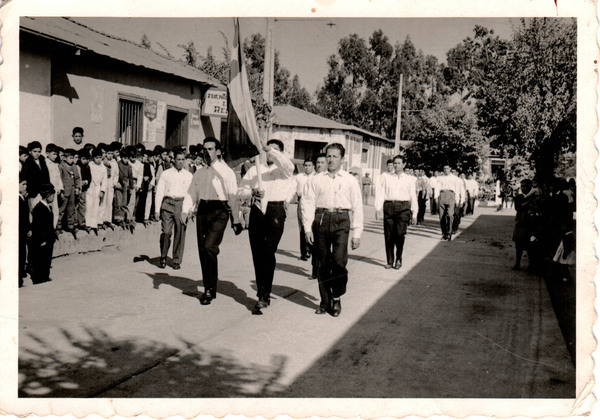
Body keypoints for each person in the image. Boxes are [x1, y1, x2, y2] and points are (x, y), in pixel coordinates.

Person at [302, 143, 363, 317]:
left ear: (342, 159)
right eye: (328, 156)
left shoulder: (350, 180)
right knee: (322, 263)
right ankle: (325, 300)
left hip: (341, 220)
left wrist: (357, 233)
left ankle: (336, 297)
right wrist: (308, 229)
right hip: (321, 219)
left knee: (338, 262)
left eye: (335, 156)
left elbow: (357, 207)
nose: (330, 159)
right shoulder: (316, 179)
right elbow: (307, 203)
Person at [182, 138, 242, 304]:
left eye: (210, 149)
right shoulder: (199, 172)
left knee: (209, 246)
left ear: (218, 151)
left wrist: (236, 220)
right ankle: (210, 286)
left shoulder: (226, 172)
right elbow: (191, 193)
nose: (207, 152)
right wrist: (185, 211)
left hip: (219, 211)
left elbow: (233, 196)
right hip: (203, 211)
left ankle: (209, 290)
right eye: (205, 149)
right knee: (204, 250)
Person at [238, 139, 295, 311]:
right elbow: (240, 191)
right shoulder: (255, 170)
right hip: (257, 210)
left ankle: (264, 293)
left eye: (275, 151)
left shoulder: (284, 171)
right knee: (257, 253)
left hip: (275, 211)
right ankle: (262, 293)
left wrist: (271, 149)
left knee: (268, 252)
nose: (270, 154)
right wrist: (252, 192)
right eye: (268, 151)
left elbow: (287, 165)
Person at [374, 155, 417, 270]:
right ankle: (390, 260)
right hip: (389, 206)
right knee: (388, 235)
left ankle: (398, 258)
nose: (396, 165)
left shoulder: (409, 179)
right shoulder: (387, 177)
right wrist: (378, 208)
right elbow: (381, 193)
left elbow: (413, 195)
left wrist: (415, 213)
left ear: (404, 164)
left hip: (403, 207)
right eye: (395, 163)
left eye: (399, 163)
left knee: (399, 234)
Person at [154, 148, 193, 270]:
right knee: (166, 232)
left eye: (183, 160)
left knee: (180, 233)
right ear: (173, 160)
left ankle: (176, 260)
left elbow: (191, 194)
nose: (181, 162)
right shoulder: (166, 174)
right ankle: (163, 256)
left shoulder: (188, 175)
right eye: (178, 159)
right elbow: (159, 191)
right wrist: (156, 209)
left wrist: (190, 209)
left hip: (181, 205)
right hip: (168, 203)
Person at [29, 183, 57, 284]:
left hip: (49, 238)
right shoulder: (39, 208)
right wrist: (42, 240)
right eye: (52, 195)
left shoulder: (48, 207)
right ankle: (40, 277)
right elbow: (38, 227)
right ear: (47, 195)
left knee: (47, 258)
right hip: (43, 239)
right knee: (41, 258)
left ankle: (45, 275)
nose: (54, 197)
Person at [434, 164, 463, 241]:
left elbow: (457, 189)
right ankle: (444, 233)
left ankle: (449, 233)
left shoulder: (455, 178)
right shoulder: (440, 178)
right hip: (442, 195)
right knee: (441, 216)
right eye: (444, 168)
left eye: (447, 168)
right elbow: (437, 188)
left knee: (450, 215)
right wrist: (436, 197)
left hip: (451, 195)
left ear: (450, 169)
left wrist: (457, 200)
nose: (446, 170)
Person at [295, 158, 315, 261]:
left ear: (313, 166)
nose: (307, 167)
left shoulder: (316, 177)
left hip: (312, 205)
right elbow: (293, 188)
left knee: (311, 228)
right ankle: (304, 252)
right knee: (302, 228)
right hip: (301, 203)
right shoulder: (299, 177)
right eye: (305, 165)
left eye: (309, 165)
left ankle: (310, 249)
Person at [21, 141, 51, 211]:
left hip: (43, 191)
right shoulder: (28, 162)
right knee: (34, 210)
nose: (37, 154)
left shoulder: (42, 160)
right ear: (30, 151)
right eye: (35, 151)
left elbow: (46, 175)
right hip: (33, 191)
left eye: (39, 151)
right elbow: (24, 177)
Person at [58, 148, 80, 235]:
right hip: (65, 190)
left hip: (72, 191)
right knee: (62, 208)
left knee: (71, 208)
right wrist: (61, 190)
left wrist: (77, 188)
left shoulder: (74, 167)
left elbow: (77, 178)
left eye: (72, 158)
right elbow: (59, 178)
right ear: (64, 158)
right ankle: (58, 225)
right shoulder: (61, 166)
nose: (72, 160)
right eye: (70, 158)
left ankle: (70, 225)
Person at [86, 148, 108, 233]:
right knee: (89, 205)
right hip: (90, 186)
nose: (98, 160)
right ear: (93, 158)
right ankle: (88, 224)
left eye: (100, 157)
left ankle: (94, 224)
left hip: (98, 187)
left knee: (96, 205)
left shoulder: (103, 167)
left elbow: (105, 180)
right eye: (96, 158)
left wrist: (102, 190)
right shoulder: (90, 165)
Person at [45, 143, 64, 229]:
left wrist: (60, 187)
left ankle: (53, 228)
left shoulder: (56, 165)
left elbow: (58, 177)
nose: (55, 156)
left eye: (56, 154)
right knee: (48, 210)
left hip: (56, 190)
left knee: (55, 210)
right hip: (48, 191)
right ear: (47, 153)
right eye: (53, 154)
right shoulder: (45, 164)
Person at [19, 175, 31, 288]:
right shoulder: (17, 199)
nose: (25, 186)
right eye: (23, 184)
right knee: (19, 252)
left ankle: (21, 271)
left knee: (23, 251)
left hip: (23, 230)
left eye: (26, 184)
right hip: (18, 231)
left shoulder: (23, 197)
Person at [76, 149, 91, 231]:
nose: (85, 161)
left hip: (84, 189)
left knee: (82, 205)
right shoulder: (77, 167)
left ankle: (81, 222)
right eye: (84, 159)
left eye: (87, 159)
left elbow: (89, 177)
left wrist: (87, 181)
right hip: (78, 188)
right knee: (76, 206)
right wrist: (80, 183)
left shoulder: (87, 167)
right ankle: (75, 223)